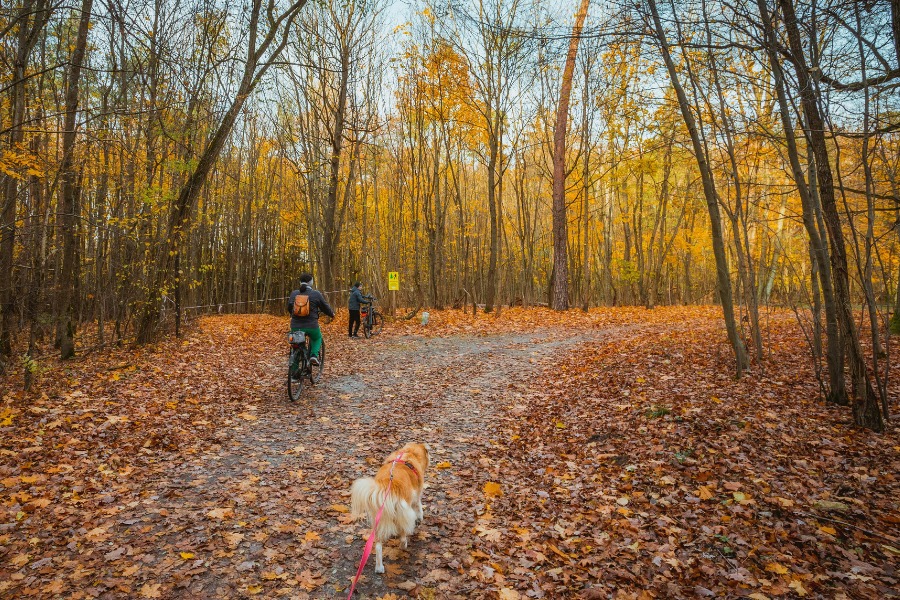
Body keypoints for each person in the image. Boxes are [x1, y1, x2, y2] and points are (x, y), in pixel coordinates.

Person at [287, 273, 334, 369]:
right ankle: (313, 356)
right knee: (317, 338)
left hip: (295, 325)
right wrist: (332, 314)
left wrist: (294, 315)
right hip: (311, 326)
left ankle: (294, 374)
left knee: (296, 345)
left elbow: (289, 307)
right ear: (311, 282)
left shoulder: (294, 293)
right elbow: (325, 307)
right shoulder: (316, 294)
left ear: (300, 282)